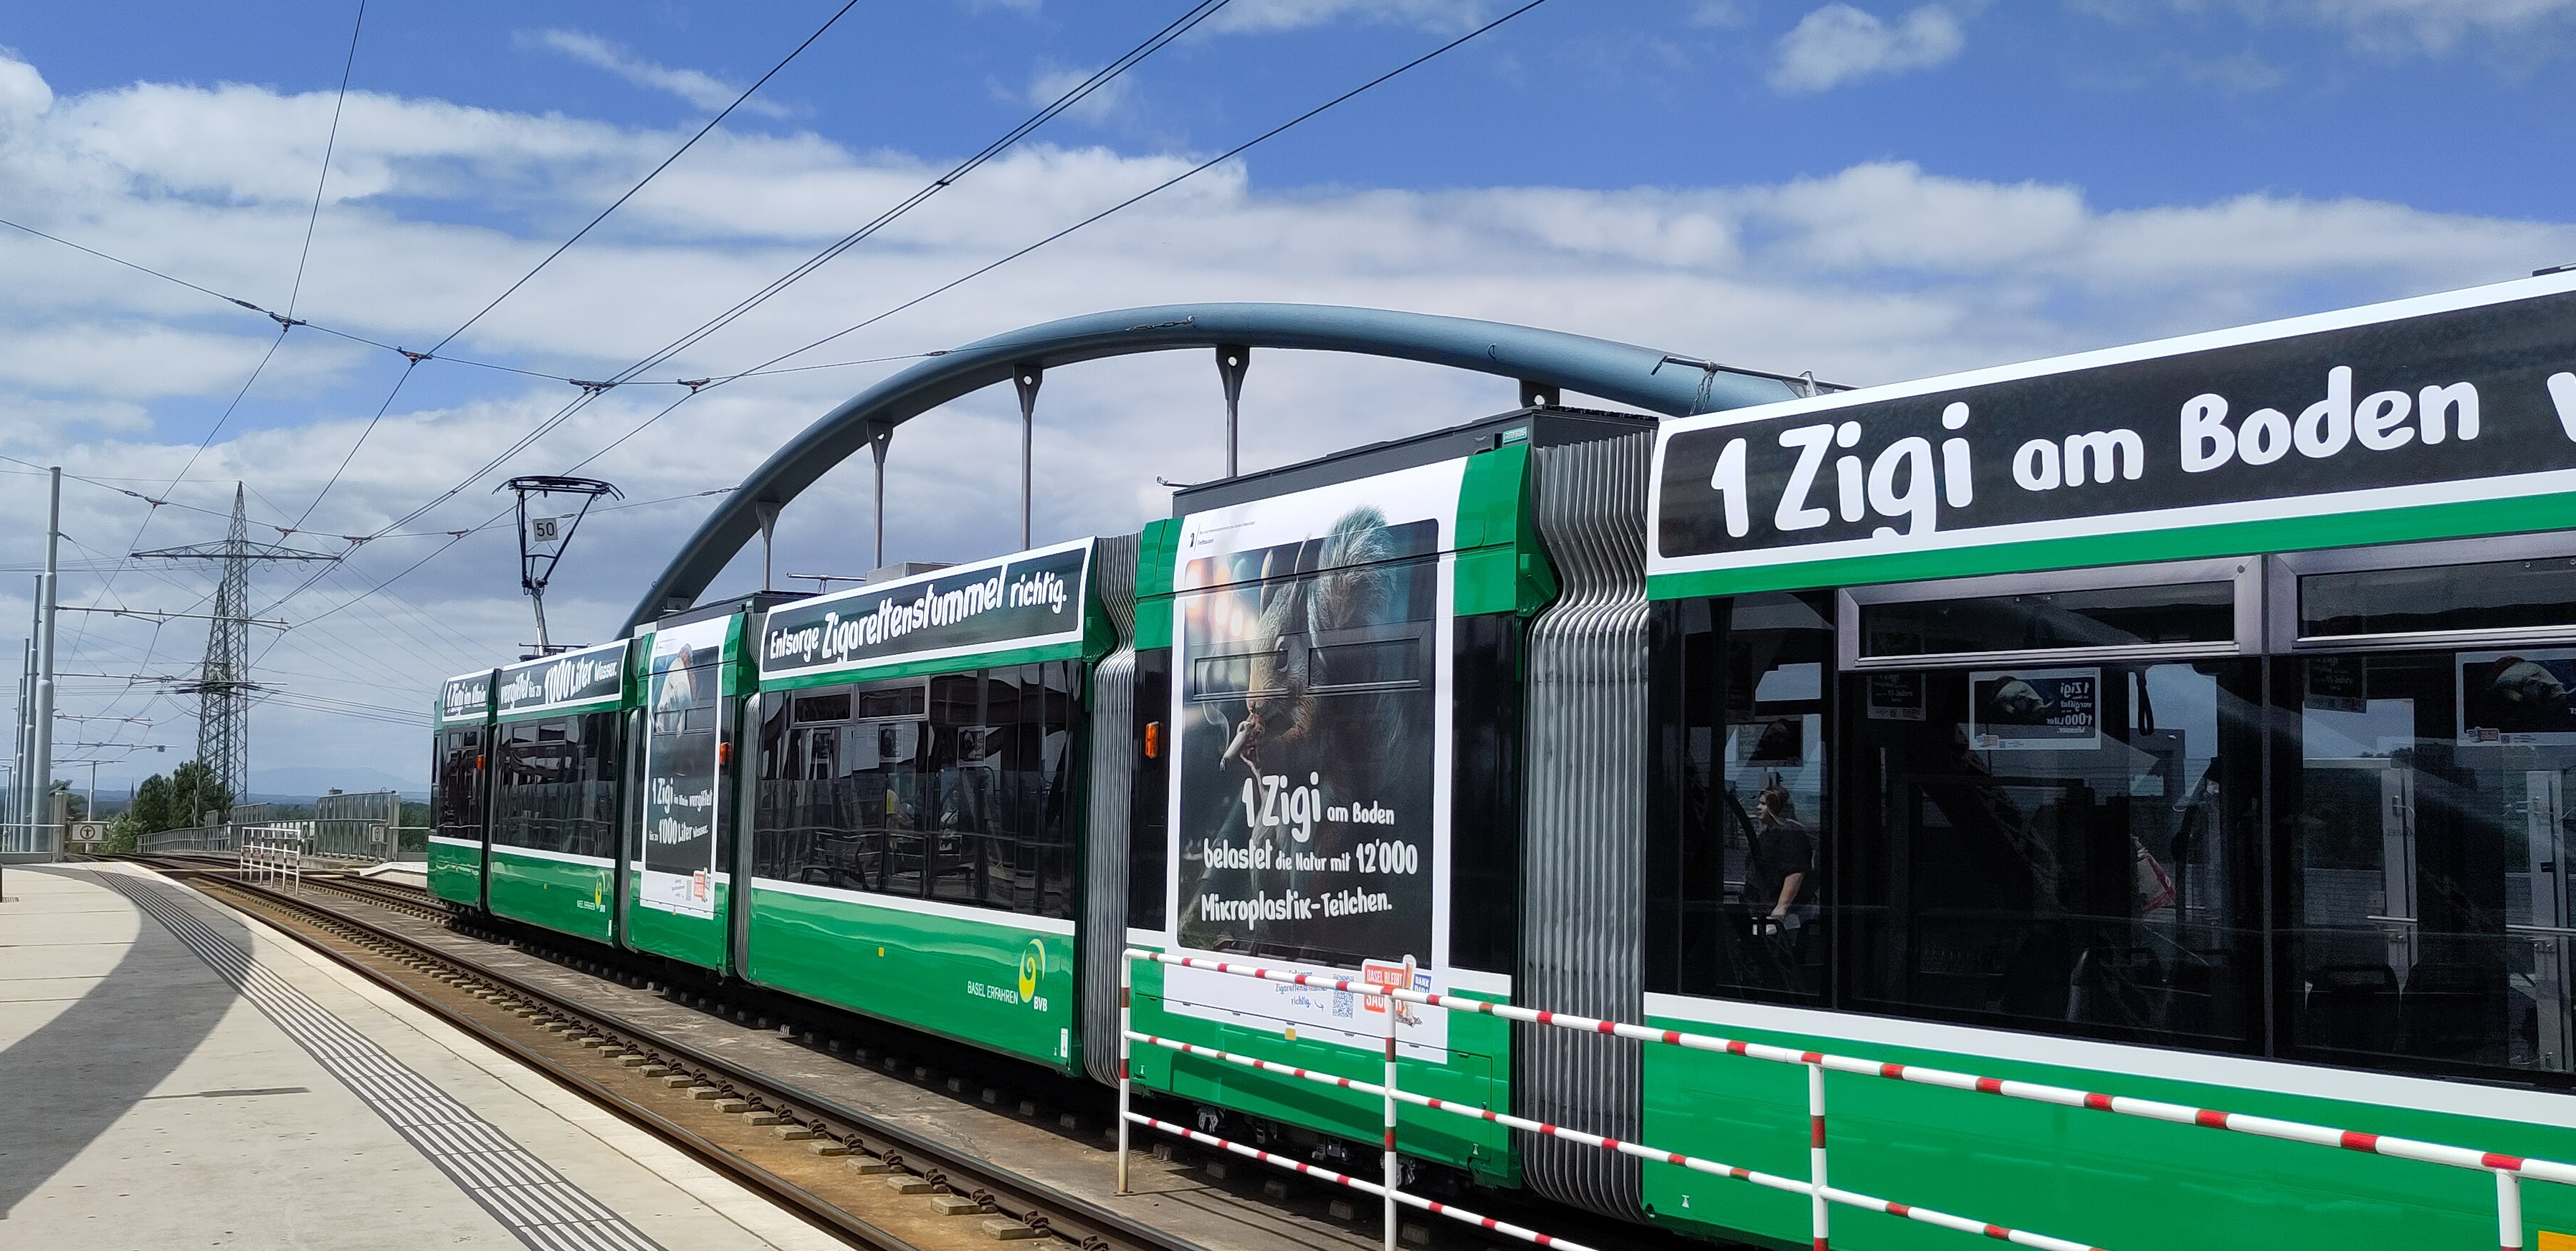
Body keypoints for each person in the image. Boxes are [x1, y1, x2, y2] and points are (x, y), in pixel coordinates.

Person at [1743, 783, 1815, 934]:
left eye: (1764, 804)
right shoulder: (1768, 833)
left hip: (1778, 914)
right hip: (1761, 909)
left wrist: (1782, 907)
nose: (1758, 807)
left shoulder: (1791, 833)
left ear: (1775, 807)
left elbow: (1796, 871)